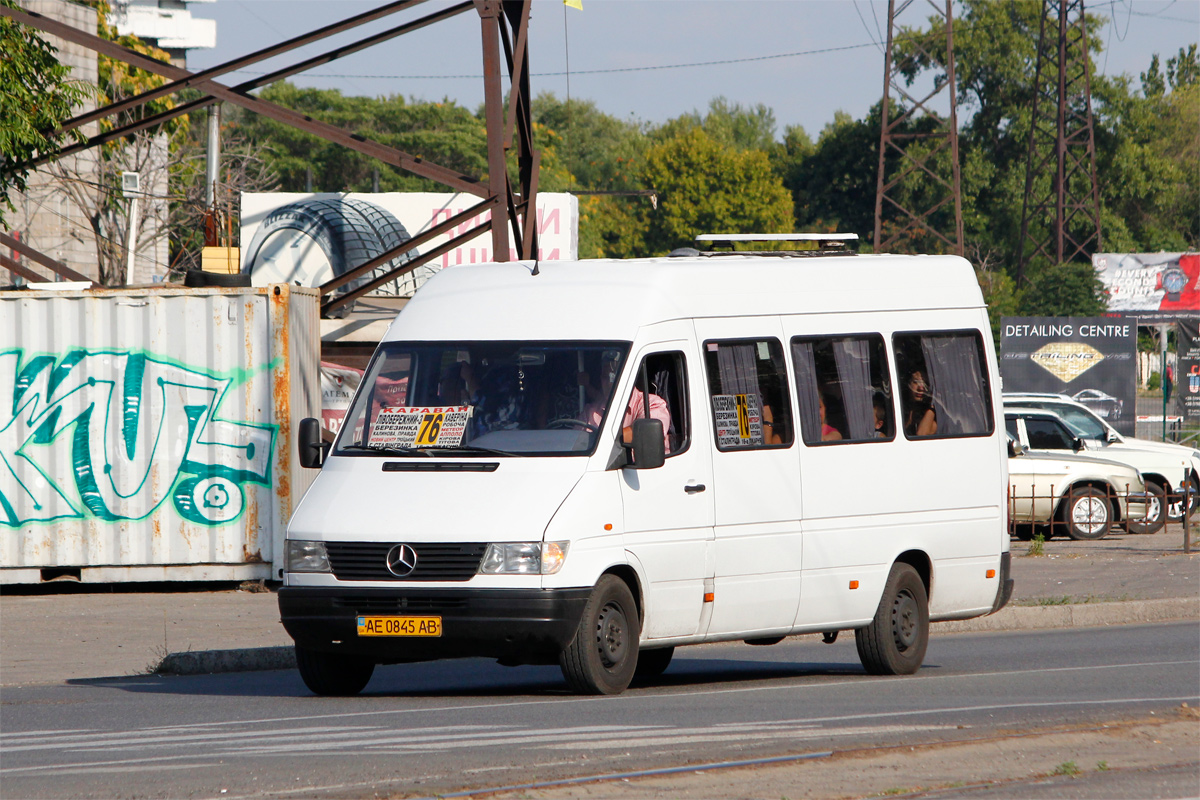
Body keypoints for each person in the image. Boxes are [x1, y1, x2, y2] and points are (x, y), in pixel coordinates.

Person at [581, 357, 671, 454]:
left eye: (614, 377)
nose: (609, 383)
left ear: (628, 378)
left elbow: (648, 434)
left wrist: (595, 441)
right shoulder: (591, 411)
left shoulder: (652, 403)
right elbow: (575, 441)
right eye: (605, 377)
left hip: (639, 468)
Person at [903, 369, 938, 437]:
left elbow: (921, 434)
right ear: (909, 383)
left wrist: (932, 405)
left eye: (926, 383)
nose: (921, 388)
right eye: (916, 382)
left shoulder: (934, 415)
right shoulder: (904, 409)